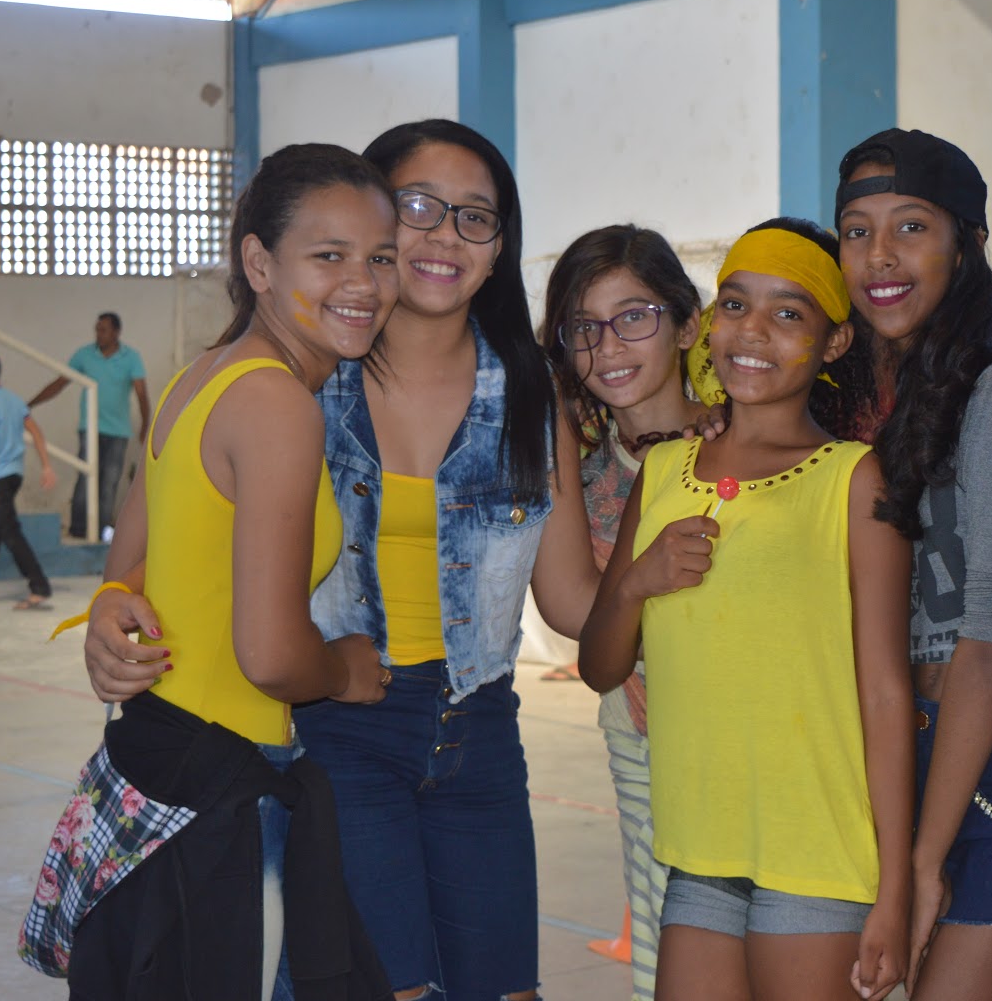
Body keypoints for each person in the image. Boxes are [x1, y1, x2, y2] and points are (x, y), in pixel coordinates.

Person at [78, 119, 602, 1001]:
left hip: (480, 733)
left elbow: (574, 601)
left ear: (499, 247)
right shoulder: (300, 382)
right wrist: (107, 607)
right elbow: (148, 547)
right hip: (338, 728)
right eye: (418, 207)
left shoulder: (529, 394)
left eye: (476, 216)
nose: (445, 234)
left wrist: (677, 498)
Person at [21, 142, 398, 998]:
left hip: (157, 751)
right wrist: (344, 669)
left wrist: (112, 608)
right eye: (329, 255)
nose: (364, 283)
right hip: (220, 784)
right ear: (259, 264)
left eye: (381, 258)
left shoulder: (201, 378)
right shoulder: (276, 403)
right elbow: (269, 655)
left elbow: (128, 565)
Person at [579, 218, 914, 1001]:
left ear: (834, 343)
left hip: (817, 850)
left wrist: (896, 889)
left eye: (788, 313)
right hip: (701, 852)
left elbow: (884, 692)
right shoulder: (664, 471)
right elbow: (600, 665)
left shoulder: (853, 478)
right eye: (734, 304)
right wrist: (634, 583)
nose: (753, 330)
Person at [830, 128, 992, 1001]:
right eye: (856, 231)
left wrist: (921, 864)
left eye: (911, 227)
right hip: (914, 749)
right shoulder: (864, 396)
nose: (879, 256)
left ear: (966, 245)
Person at [539, 224, 704, 1000]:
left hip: (765, 742)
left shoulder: (749, 443)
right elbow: (573, 610)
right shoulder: (582, 480)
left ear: (687, 323)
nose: (607, 347)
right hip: (640, 738)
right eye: (584, 328)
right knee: (666, 946)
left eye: (634, 316)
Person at [29, 311, 150, 538]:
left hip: (118, 432)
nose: (99, 334)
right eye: (97, 329)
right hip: (90, 429)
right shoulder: (84, 355)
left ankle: (100, 534)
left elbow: (142, 394)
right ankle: (77, 531)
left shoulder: (131, 358)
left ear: (116, 332)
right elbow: (60, 383)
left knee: (108, 484)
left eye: (104, 330)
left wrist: (146, 426)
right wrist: (29, 404)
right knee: (84, 479)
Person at [0, 351, 58, 608]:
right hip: (14, 473)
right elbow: (36, 432)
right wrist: (46, 466)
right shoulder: (14, 400)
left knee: (9, 532)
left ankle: (39, 586)